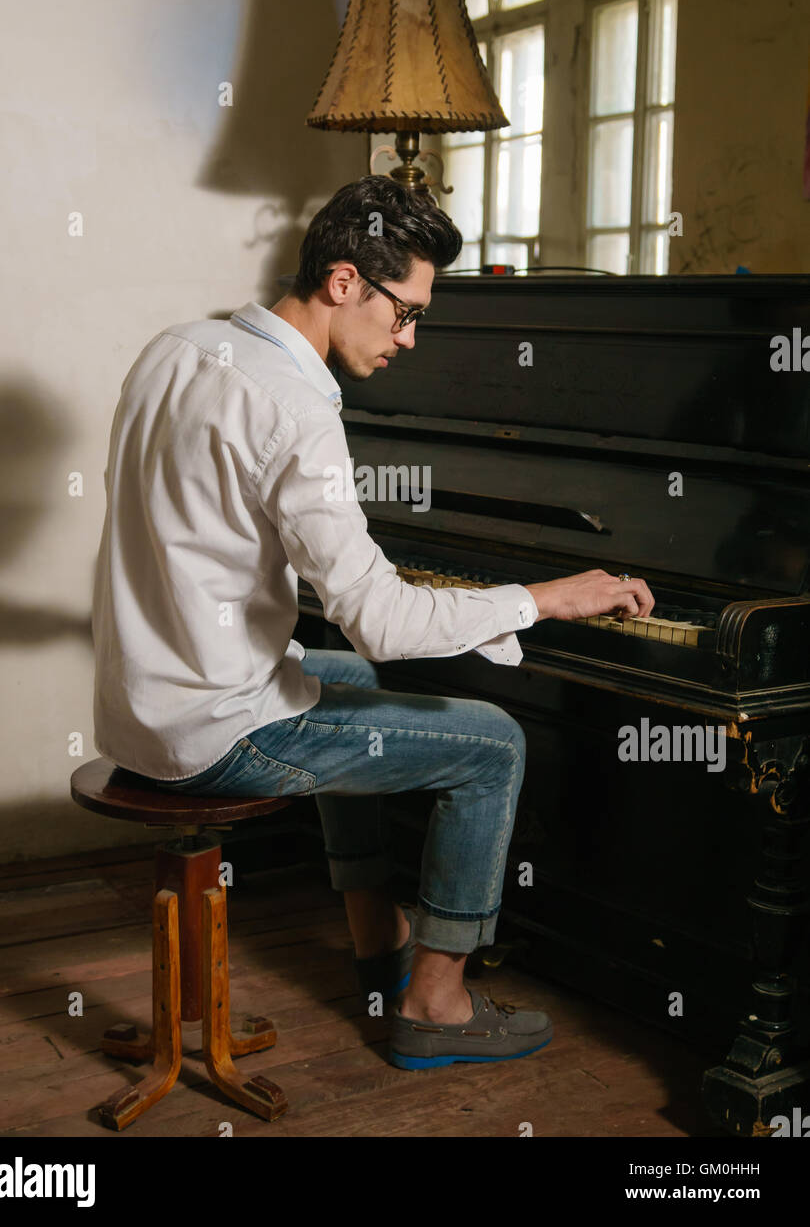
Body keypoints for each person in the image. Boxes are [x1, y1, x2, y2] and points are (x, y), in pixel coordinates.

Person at [92, 175, 654, 1070]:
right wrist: (545, 598)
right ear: (344, 281)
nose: (410, 338)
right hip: (211, 734)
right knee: (495, 744)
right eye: (404, 313)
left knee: (345, 680)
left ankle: (376, 943)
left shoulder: (175, 347)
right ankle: (435, 1002)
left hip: (138, 708)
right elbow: (381, 620)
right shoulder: (297, 403)